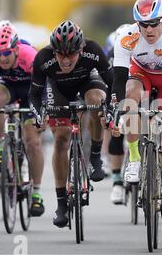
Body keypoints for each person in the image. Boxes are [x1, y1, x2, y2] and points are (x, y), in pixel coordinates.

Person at [111, 0, 162, 235]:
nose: (148, 29)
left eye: (154, 23)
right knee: (130, 95)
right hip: (141, 75)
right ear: (137, 24)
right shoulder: (126, 38)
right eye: (143, 24)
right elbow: (118, 80)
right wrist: (116, 111)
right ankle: (135, 158)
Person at [28, 20, 114, 227]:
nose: (65, 60)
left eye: (71, 54)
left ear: (81, 49)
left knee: (96, 101)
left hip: (87, 82)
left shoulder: (93, 51)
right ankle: (61, 204)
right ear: (53, 52)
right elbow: (34, 95)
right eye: (60, 55)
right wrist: (39, 115)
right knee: (61, 138)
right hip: (58, 90)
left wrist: (109, 109)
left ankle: (95, 157)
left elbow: (112, 84)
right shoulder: (43, 59)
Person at [0, 23, 45, 217]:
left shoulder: (30, 56)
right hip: (8, 87)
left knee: (33, 142)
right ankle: (2, 145)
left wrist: (41, 113)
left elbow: (42, 90)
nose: (2, 58)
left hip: (31, 91)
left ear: (16, 48)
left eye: (6, 53)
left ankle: (36, 193)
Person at [105, 23, 132, 205]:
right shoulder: (111, 55)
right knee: (117, 128)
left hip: (141, 87)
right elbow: (108, 83)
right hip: (117, 88)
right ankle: (116, 181)